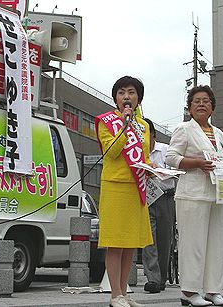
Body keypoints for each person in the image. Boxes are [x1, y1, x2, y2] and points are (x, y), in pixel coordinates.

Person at [166, 85, 223, 307]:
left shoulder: (219, 133)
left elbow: (222, 159)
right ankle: (189, 291)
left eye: (206, 101)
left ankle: (213, 290)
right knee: (192, 244)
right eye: (197, 101)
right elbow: (171, 158)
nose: (202, 104)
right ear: (190, 107)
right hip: (192, 193)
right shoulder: (184, 129)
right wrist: (196, 163)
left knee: (216, 243)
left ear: (212, 107)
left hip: (217, 192)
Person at [95, 76, 153, 307]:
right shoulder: (106, 121)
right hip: (115, 186)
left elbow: (145, 156)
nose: (126, 96)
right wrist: (123, 125)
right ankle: (115, 295)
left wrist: (153, 168)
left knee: (130, 243)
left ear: (138, 98)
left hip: (136, 186)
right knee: (115, 242)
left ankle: (125, 294)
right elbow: (111, 152)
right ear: (115, 98)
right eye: (121, 92)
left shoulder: (145, 126)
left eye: (131, 92)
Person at [141, 118, 175, 294]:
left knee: (164, 239)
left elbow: (175, 172)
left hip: (165, 197)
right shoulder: (137, 153)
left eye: (145, 133)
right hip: (145, 199)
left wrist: (157, 172)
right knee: (149, 239)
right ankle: (152, 279)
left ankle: (161, 278)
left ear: (152, 134)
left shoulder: (165, 150)